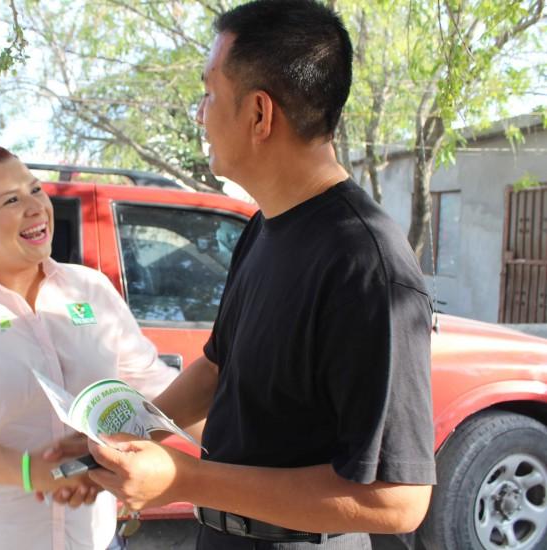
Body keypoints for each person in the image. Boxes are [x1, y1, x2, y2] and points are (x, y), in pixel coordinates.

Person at [84, 1, 436, 549]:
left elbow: (398, 500)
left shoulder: (366, 265)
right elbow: (217, 367)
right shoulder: (264, 227)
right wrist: (119, 435)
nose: (199, 115)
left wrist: (184, 479)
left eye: (209, 94)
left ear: (258, 114)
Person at [0, 144, 177, 550]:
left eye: (35, 190)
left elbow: (148, 384)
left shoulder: (90, 288)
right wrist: (30, 471)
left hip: (89, 538)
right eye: (11, 200)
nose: (36, 207)